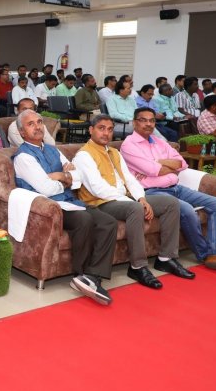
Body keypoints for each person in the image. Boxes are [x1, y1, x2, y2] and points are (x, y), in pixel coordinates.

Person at [120, 107, 216, 271]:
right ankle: (205, 255)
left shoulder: (159, 141)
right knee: (187, 210)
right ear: (134, 122)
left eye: (152, 120)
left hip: (176, 187)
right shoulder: (129, 145)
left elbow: (182, 163)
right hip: (152, 192)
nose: (148, 124)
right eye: (143, 120)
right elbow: (153, 170)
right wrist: (163, 164)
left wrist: (158, 162)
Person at [73, 114, 192, 289]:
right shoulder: (84, 155)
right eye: (101, 128)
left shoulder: (114, 152)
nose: (106, 133)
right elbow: (97, 189)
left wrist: (141, 198)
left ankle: (166, 258)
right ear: (91, 130)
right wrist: (136, 203)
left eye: (110, 129)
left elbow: (130, 179)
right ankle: (138, 266)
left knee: (170, 203)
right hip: (100, 203)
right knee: (134, 208)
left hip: (125, 198)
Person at [13, 110, 117, 305]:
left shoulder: (52, 148)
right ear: (22, 132)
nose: (37, 127)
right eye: (30, 124)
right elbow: (45, 189)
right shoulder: (23, 157)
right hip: (49, 208)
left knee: (108, 222)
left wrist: (61, 176)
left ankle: (92, 276)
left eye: (39, 122)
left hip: (71, 201)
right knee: (84, 220)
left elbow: (78, 177)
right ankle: (81, 272)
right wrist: (65, 176)